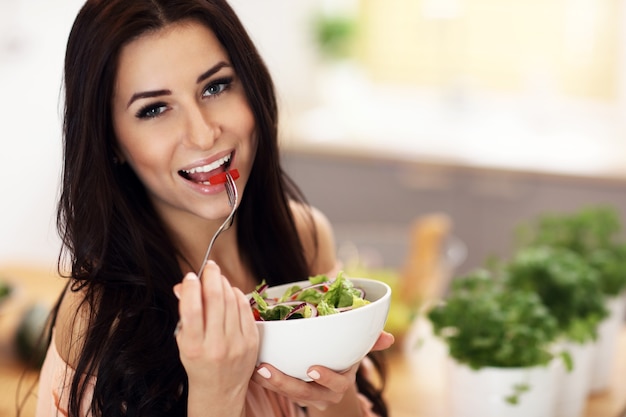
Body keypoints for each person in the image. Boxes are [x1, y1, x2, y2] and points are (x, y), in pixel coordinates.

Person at [35, 1, 394, 416]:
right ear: (111, 142)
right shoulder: (97, 316)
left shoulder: (305, 239)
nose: (204, 134)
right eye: (154, 109)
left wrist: (336, 392)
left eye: (215, 87)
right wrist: (215, 395)